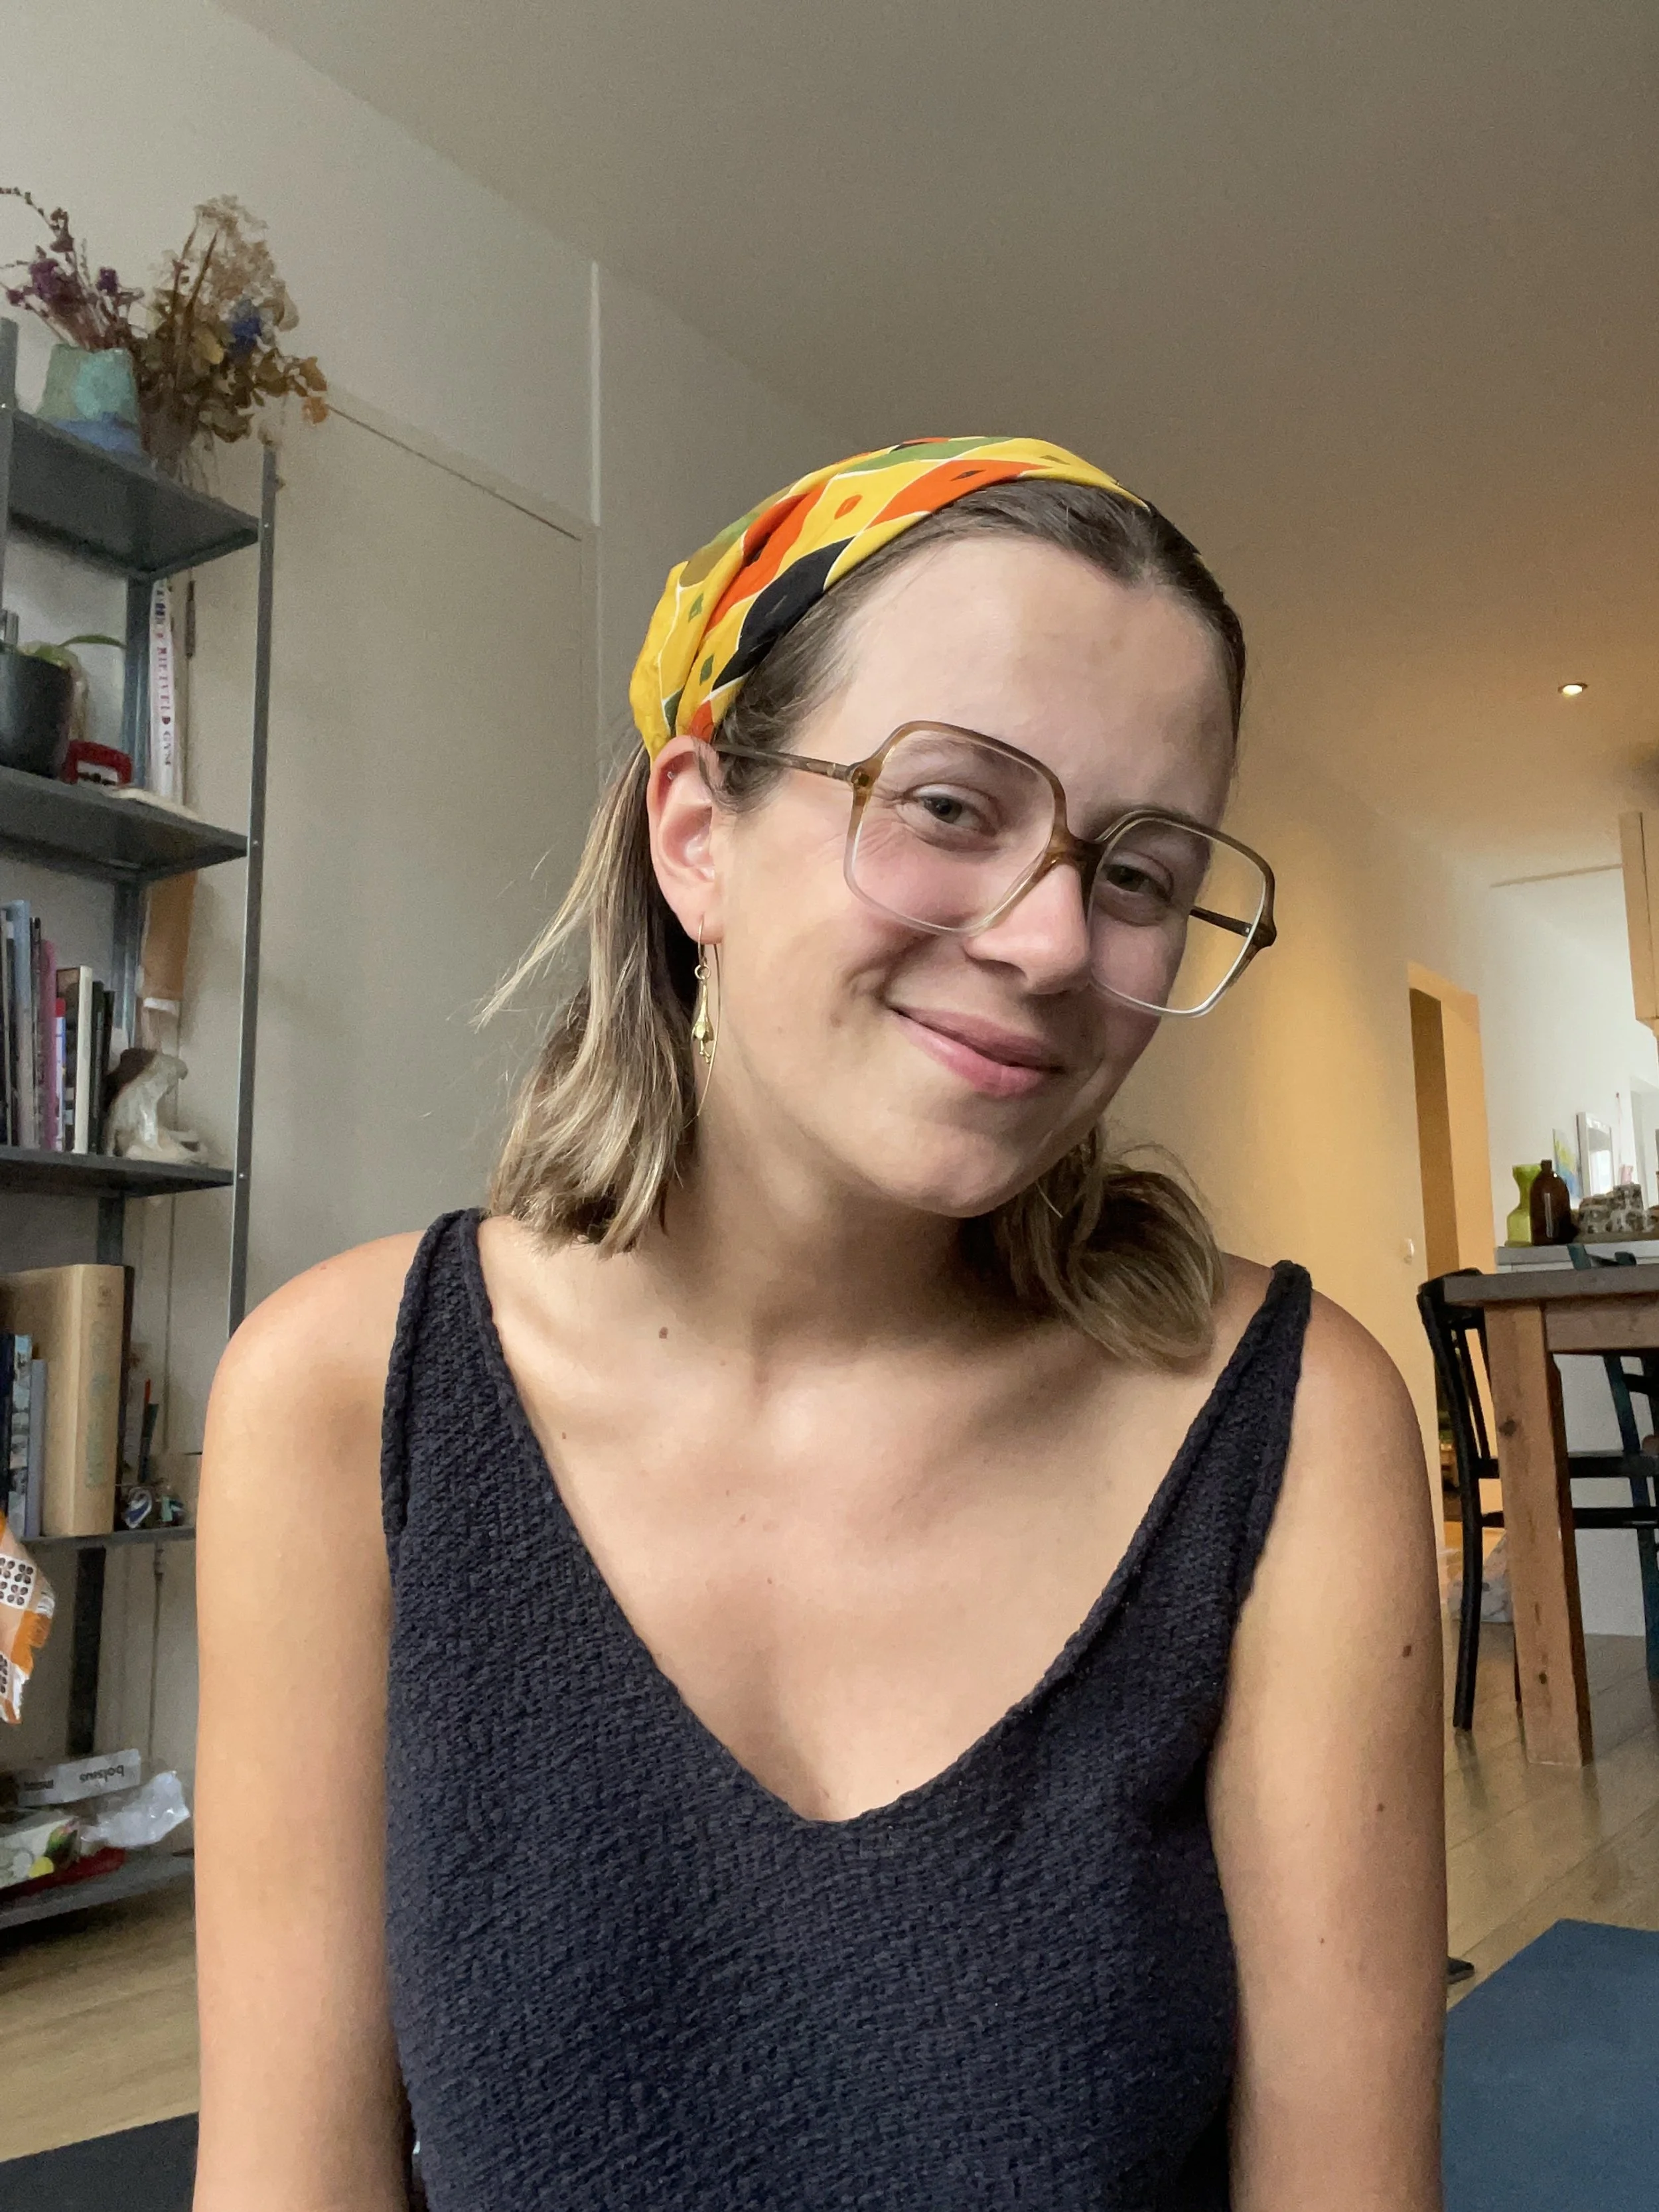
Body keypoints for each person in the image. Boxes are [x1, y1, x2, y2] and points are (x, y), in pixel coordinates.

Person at [192, 438, 1444, 2211]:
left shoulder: (1288, 1426)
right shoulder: (335, 1401)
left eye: (1145, 872)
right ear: (695, 834)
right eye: (948, 805)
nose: (1050, 939)